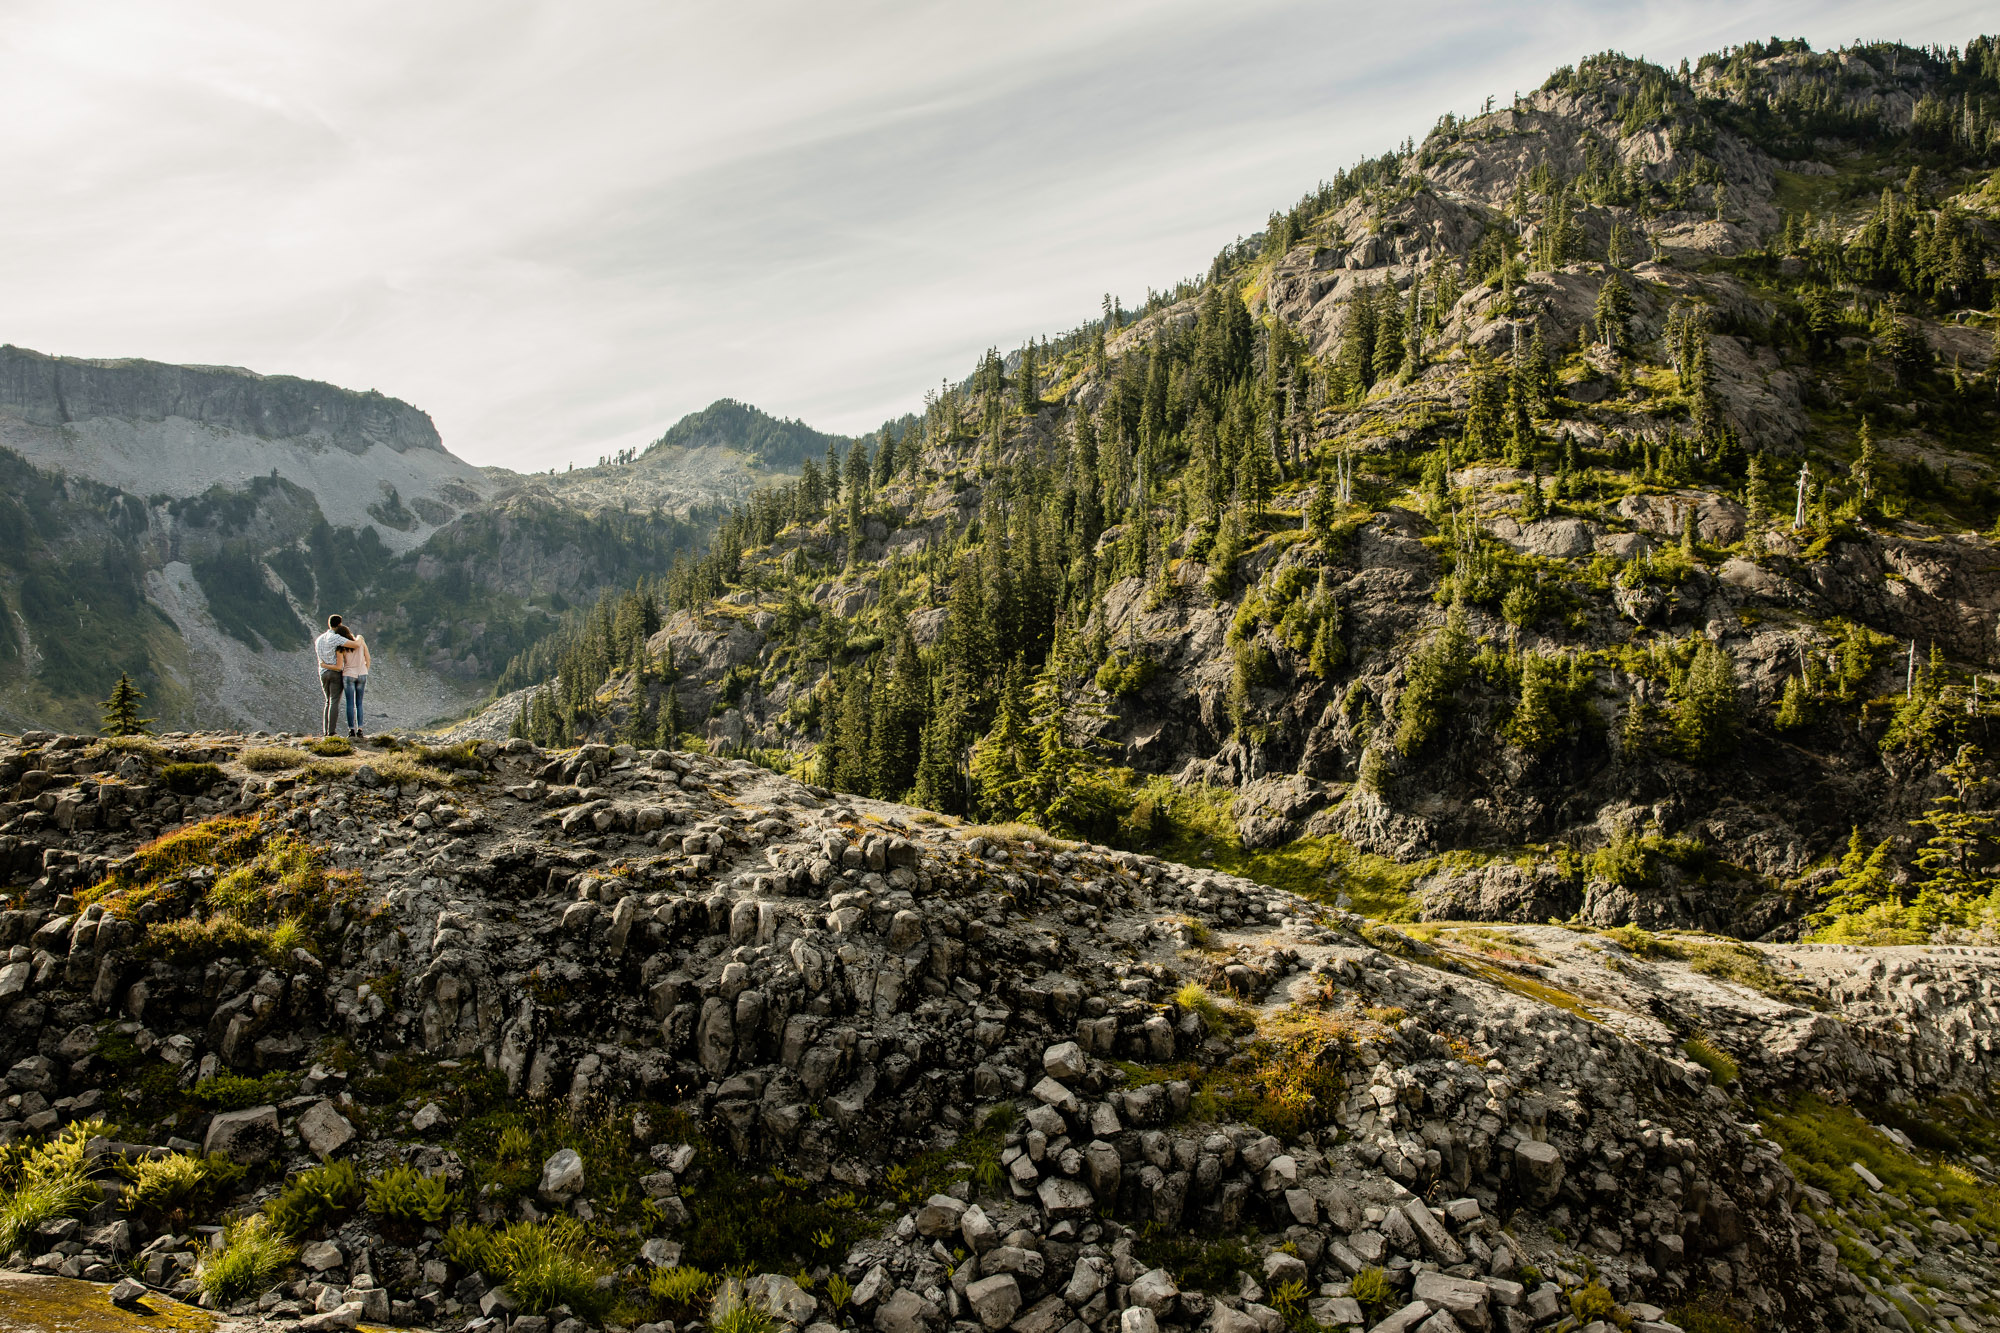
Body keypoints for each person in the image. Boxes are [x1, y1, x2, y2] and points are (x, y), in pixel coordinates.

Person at [313, 615, 354, 738]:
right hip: (335, 672)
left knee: (327, 701)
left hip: (323, 672)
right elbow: (354, 645)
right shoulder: (336, 638)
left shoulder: (319, 639)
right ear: (339, 624)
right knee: (335, 701)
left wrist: (324, 665)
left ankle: (325, 731)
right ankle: (331, 732)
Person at [338, 626, 372, 738]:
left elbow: (341, 662)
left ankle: (351, 730)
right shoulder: (361, 642)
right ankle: (360, 729)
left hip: (348, 674)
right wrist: (365, 670)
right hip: (362, 673)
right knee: (359, 703)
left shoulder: (342, 645)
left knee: (350, 703)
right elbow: (368, 658)